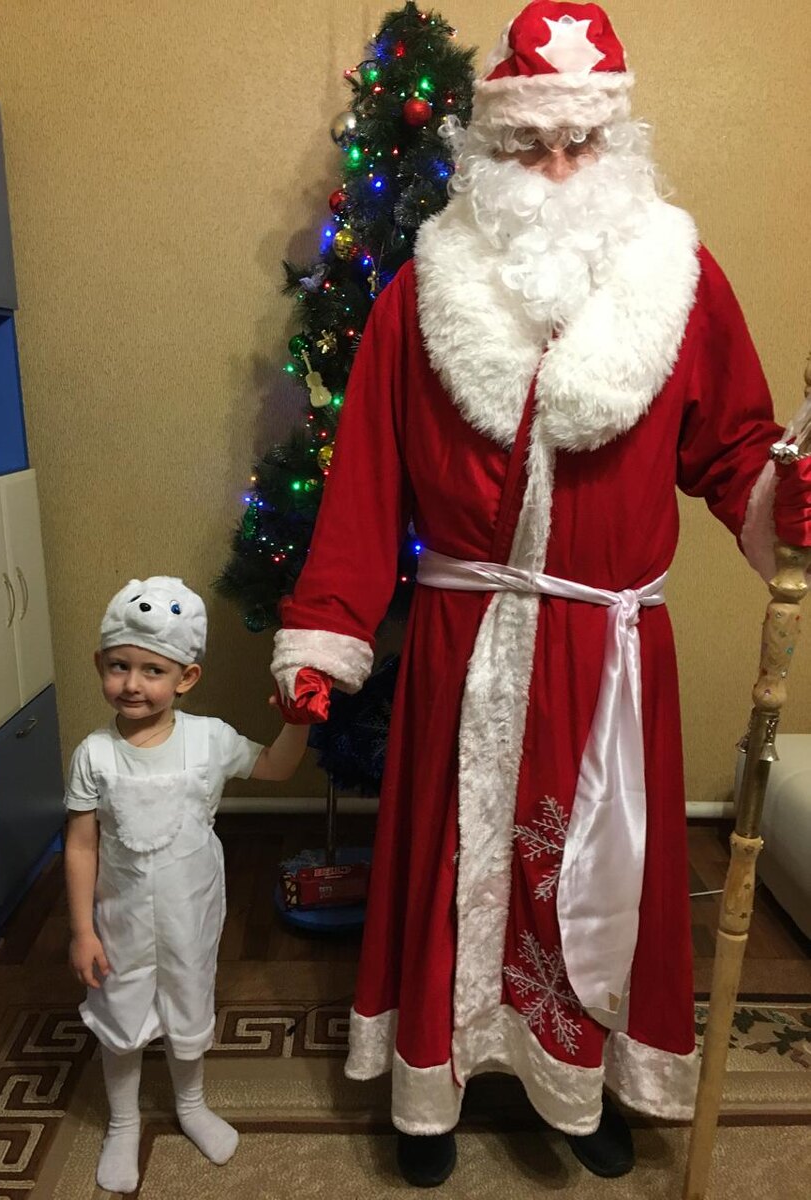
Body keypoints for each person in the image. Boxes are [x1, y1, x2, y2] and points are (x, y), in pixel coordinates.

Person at [270, 1, 811, 1187]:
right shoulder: (424, 292)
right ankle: (431, 1091)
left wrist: (785, 501)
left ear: (616, 145)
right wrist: (330, 628)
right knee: (453, 858)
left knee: (589, 867)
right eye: (529, 143)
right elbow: (366, 477)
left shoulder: (682, 280)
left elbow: (734, 449)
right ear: (492, 148)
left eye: (580, 141)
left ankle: (577, 1084)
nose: (557, 166)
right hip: (465, 635)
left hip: (608, 647)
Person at [65, 575, 308, 1193]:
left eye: (153, 670)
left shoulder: (209, 740)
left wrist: (298, 723)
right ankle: (123, 1121)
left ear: (185, 677)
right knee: (120, 1014)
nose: (133, 684)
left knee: (189, 999)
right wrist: (81, 931)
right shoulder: (94, 754)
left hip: (190, 914)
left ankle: (191, 1103)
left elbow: (275, 767)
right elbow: (81, 844)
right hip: (119, 920)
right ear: (100, 665)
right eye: (119, 666)